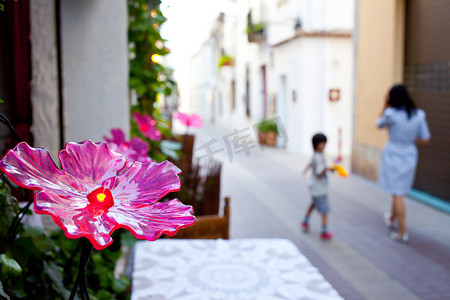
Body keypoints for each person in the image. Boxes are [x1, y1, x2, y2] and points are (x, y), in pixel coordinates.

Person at [377, 84, 431, 243]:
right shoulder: (419, 114)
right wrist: (410, 139)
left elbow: (378, 124)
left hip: (393, 153)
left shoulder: (390, 113)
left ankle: (403, 231)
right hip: (409, 154)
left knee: (397, 193)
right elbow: (426, 138)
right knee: (398, 190)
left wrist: (384, 105)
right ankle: (392, 217)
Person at [301, 133, 335, 240]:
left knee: (313, 204)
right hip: (319, 189)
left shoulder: (317, 155)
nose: (323, 145)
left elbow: (310, 164)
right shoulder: (318, 157)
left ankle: (305, 220)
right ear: (315, 144)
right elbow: (319, 173)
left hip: (315, 188)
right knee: (324, 210)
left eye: (324, 143)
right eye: (321, 143)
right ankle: (324, 230)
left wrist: (305, 169)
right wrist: (327, 169)